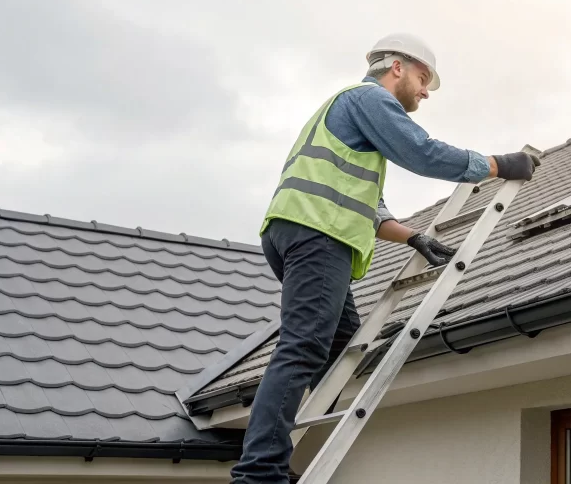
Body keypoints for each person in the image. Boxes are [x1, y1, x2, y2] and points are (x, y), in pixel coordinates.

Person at [230, 33, 540, 483]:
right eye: (422, 77)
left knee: (341, 351)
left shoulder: (346, 114)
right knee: (302, 349)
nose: (425, 90)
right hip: (320, 234)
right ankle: (259, 473)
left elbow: (370, 207)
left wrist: (414, 238)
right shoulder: (368, 99)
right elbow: (421, 151)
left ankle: (282, 452)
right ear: (397, 67)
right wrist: (497, 164)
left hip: (298, 232)